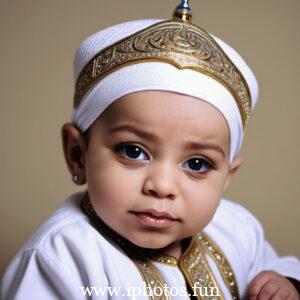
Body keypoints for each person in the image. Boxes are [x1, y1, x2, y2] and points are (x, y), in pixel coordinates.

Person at [1, 1, 300, 299]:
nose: (162, 186)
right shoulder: (62, 256)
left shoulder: (236, 227)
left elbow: (277, 265)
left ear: (226, 177)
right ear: (78, 154)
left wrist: (282, 282)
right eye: (133, 151)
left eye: (197, 164)